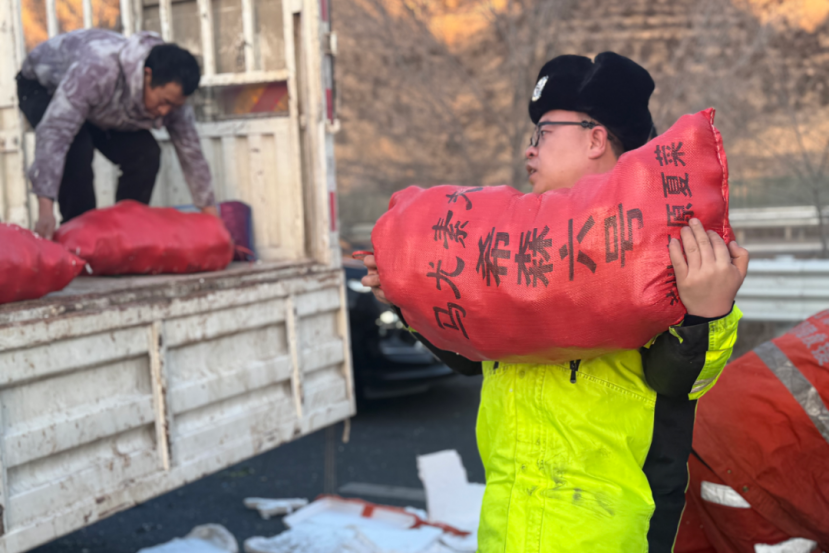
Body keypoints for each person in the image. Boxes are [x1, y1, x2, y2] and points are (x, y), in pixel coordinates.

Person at [361, 53, 750, 552]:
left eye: (543, 133)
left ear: (595, 138)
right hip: (505, 527)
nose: (530, 149)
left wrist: (707, 313)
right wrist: (408, 299)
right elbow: (470, 356)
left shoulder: (659, 246)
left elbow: (681, 381)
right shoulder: (505, 244)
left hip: (608, 535)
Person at [16, 28, 217, 239]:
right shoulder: (98, 69)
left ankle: (126, 232)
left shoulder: (173, 101)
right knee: (77, 148)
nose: (165, 111)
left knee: (145, 154)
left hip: (101, 102)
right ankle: (79, 234)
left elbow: (192, 154)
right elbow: (56, 133)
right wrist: (45, 208)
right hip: (42, 85)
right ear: (147, 75)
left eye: (174, 106)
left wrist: (210, 215)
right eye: (164, 102)